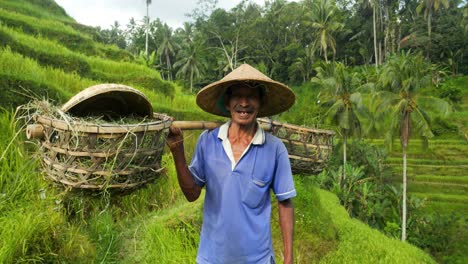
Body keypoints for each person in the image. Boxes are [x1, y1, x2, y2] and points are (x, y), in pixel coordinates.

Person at [166, 64, 296, 264]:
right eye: (238, 96)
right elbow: (192, 194)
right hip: (212, 258)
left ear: (260, 103)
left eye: (251, 96)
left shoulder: (275, 149)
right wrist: (177, 151)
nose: (244, 103)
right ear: (228, 103)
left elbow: (285, 202)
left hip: (258, 259)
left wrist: (288, 259)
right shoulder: (207, 141)